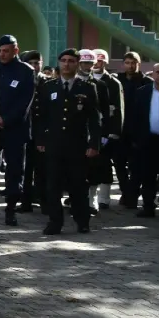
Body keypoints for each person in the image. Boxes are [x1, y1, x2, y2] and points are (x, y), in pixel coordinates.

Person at [33, 49, 100, 236]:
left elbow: (94, 119)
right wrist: (40, 139)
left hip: (77, 145)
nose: (66, 64)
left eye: (71, 61)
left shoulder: (87, 88)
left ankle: (82, 220)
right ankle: (55, 222)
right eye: (63, 60)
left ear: (77, 63)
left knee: (78, 185)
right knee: (53, 185)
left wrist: (94, 144)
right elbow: (41, 117)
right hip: (54, 144)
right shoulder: (49, 87)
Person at [0, 34, 33, 225]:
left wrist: (5, 119)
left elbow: (25, 101)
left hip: (15, 129)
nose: (2, 54)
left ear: (16, 50)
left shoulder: (26, 71)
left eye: (6, 51)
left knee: (14, 170)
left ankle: (11, 209)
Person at [121, 62, 159, 219]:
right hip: (147, 141)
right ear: (152, 74)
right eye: (158, 72)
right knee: (147, 176)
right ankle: (148, 207)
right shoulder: (143, 92)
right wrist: (135, 139)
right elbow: (134, 116)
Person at [88, 48, 123, 212]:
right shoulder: (85, 80)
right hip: (88, 129)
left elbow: (118, 109)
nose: (97, 64)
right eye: (95, 60)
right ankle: (89, 197)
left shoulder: (113, 83)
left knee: (105, 165)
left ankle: (104, 198)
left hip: (106, 129)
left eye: (101, 60)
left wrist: (114, 132)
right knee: (89, 166)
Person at [116, 51, 150, 208]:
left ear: (139, 64)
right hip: (120, 130)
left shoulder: (147, 82)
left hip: (139, 130)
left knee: (137, 166)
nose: (130, 66)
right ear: (123, 64)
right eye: (128, 63)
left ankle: (133, 195)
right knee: (119, 164)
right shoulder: (117, 80)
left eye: (133, 63)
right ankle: (126, 192)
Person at [19, 49, 45, 214]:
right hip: (24, 129)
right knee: (26, 168)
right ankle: (26, 201)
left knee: (42, 168)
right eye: (31, 63)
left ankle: (43, 200)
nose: (34, 66)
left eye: (37, 63)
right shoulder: (23, 79)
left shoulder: (48, 82)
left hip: (42, 131)